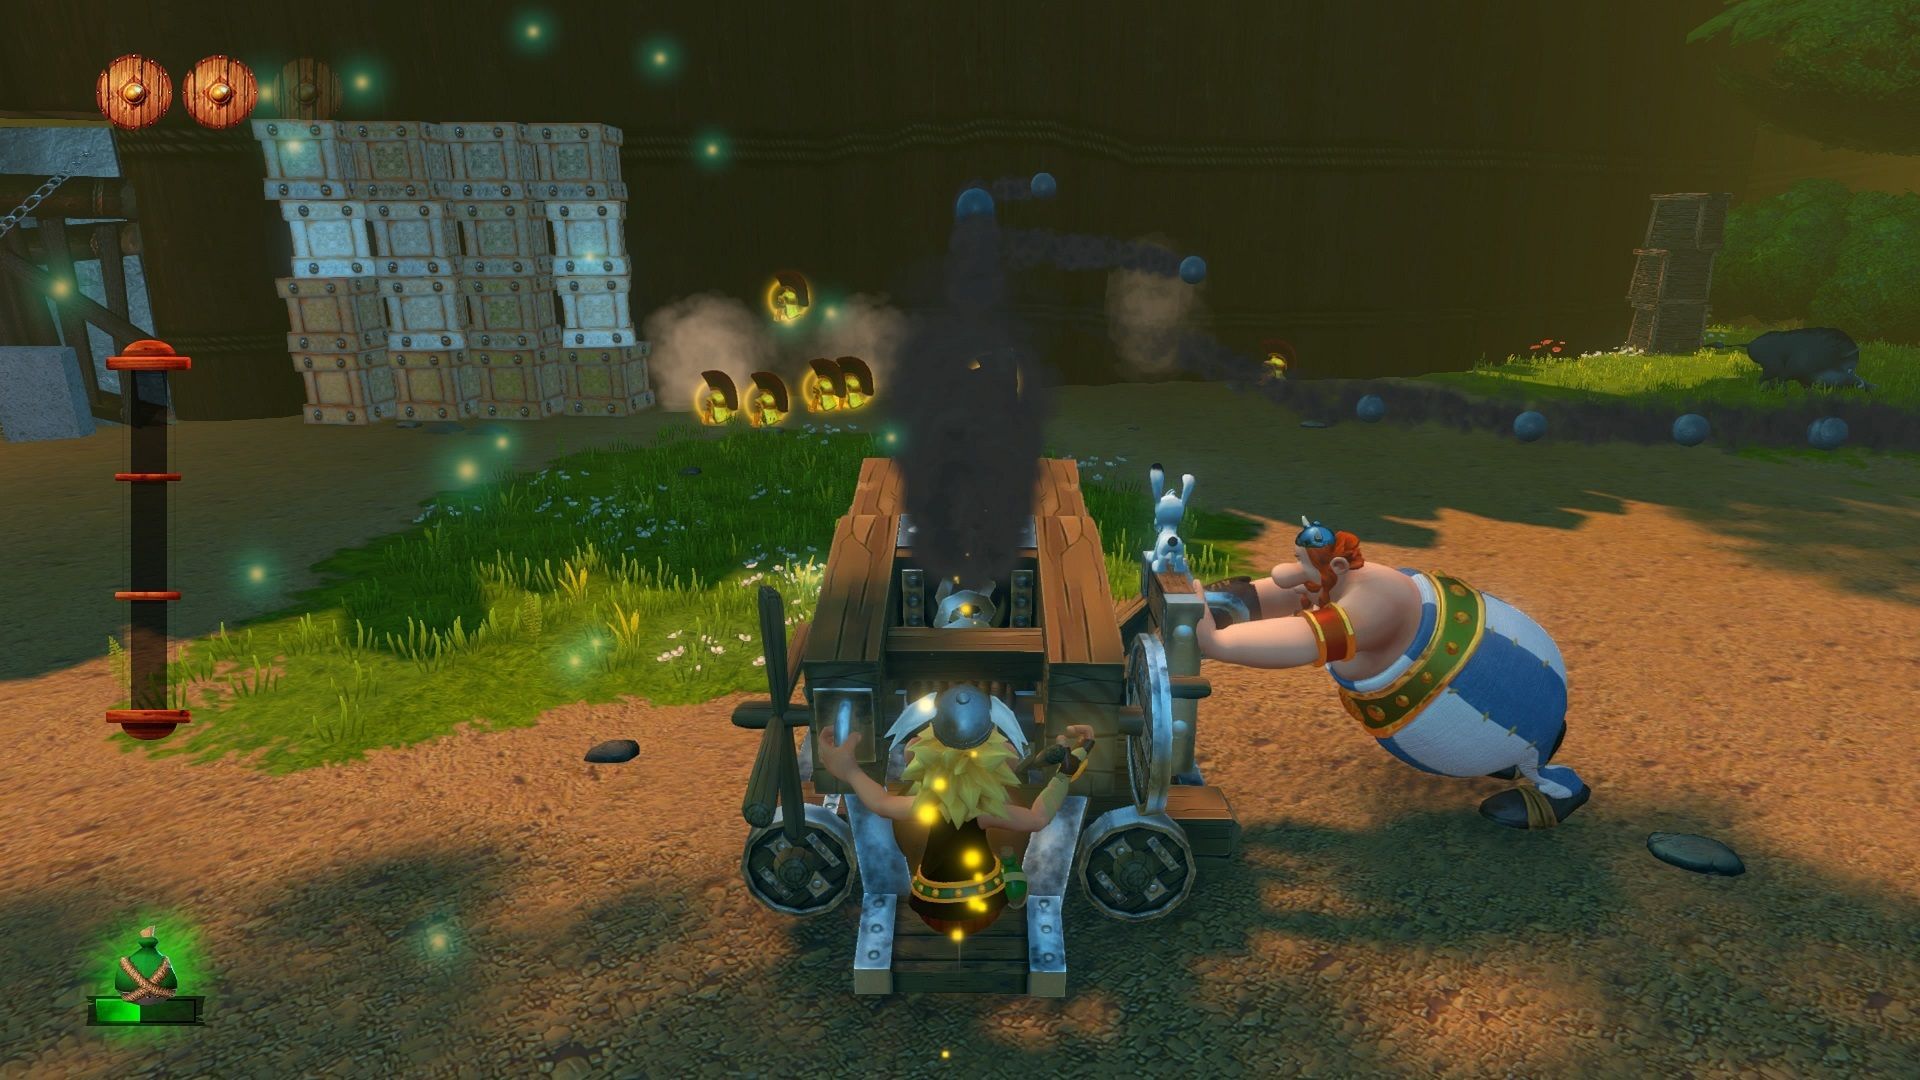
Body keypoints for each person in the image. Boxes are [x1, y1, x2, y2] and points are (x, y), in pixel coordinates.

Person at [1195, 518, 1590, 829]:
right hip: (1490, 709)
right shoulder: (1349, 580)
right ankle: (1511, 756)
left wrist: (1217, 643)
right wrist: (1227, 603)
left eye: (1302, 566)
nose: (1287, 573)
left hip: (1491, 712)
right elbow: (1290, 593)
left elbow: (1302, 640)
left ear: (1337, 566)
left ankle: (1556, 787)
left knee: (1511, 732)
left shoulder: (1372, 608)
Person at [816, 685, 1093, 934]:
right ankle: (1010, 868)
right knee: (1006, 847)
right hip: (984, 903)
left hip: (931, 906)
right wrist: (1063, 776)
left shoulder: (931, 804)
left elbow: (882, 804)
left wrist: (849, 770)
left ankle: (1005, 866)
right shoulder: (984, 808)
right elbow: (1037, 818)